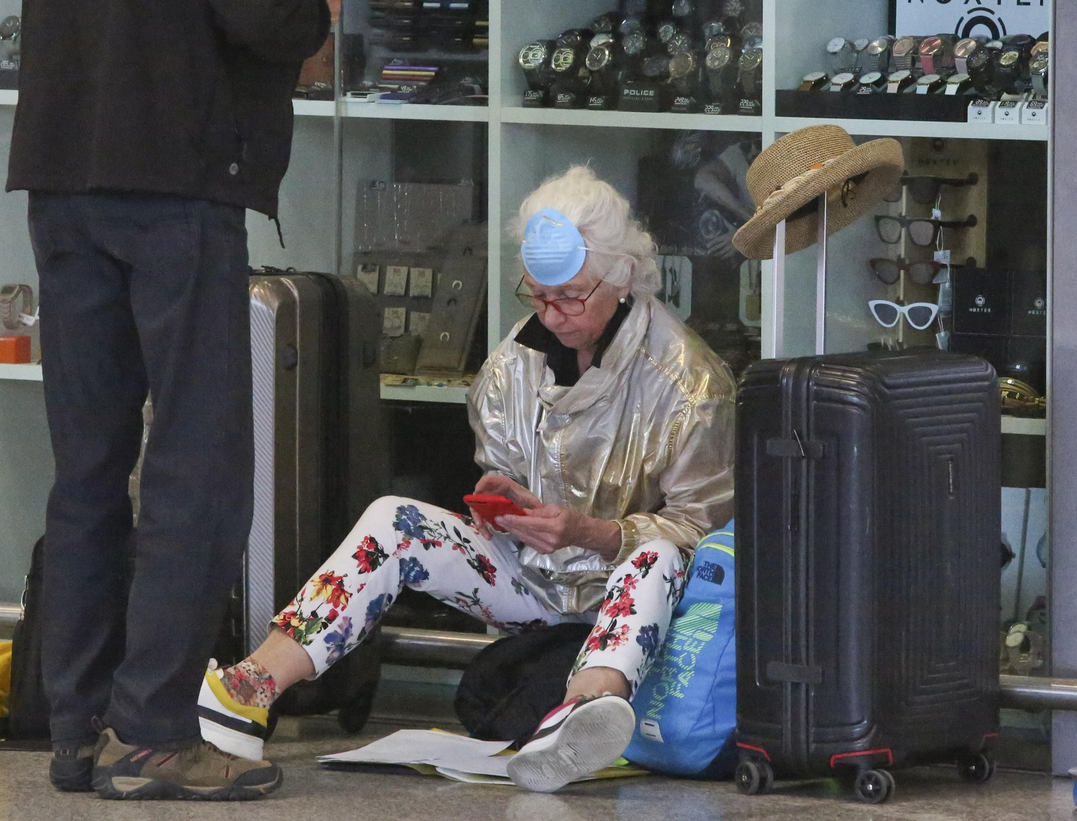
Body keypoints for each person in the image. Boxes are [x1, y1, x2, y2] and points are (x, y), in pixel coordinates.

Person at [6, 0, 341, 803]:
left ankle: (73, 724)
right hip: (179, 188)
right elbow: (260, 13)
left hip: (62, 185)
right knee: (195, 465)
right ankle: (149, 732)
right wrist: (318, 8)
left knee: (89, 465)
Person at [199, 166, 736, 793]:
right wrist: (502, 501)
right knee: (393, 519)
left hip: (632, 607)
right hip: (535, 586)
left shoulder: (689, 381)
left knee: (661, 554)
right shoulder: (515, 358)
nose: (551, 315)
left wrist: (592, 533)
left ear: (623, 279)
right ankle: (252, 687)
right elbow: (501, 467)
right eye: (535, 296)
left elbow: (710, 538)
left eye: (569, 298)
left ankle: (585, 708)